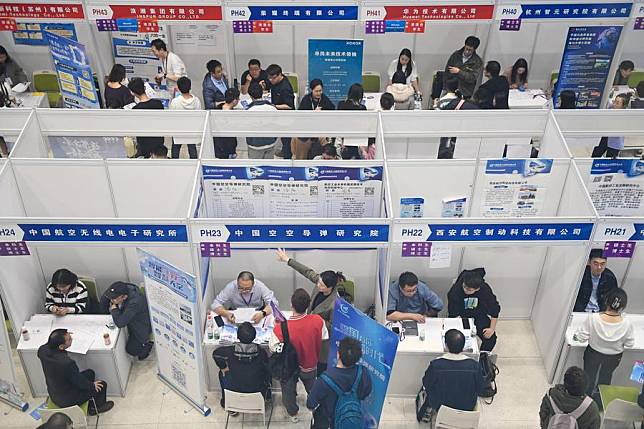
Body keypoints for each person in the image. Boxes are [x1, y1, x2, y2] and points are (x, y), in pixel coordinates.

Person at [276, 248, 343, 374]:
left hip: (321, 340)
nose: (318, 285)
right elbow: (306, 271)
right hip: (308, 330)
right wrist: (287, 260)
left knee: (319, 369)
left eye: (322, 285)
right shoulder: (320, 282)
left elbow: (333, 326)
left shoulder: (335, 304)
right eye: (318, 282)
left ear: (330, 287)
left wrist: (315, 320)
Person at [270, 288, 329, 423]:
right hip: (310, 364)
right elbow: (325, 336)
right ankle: (315, 407)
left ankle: (293, 413)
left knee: (288, 392)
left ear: (291, 305)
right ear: (308, 305)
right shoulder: (318, 321)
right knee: (312, 387)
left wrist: (277, 327)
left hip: (289, 368)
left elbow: (273, 348)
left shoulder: (281, 328)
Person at [37, 329, 114, 415]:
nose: (72, 339)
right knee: (102, 385)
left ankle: (91, 401)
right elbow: (79, 381)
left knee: (90, 373)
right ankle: (95, 409)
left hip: (55, 392)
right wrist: (92, 385)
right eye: (69, 339)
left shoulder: (42, 351)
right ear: (61, 347)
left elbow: (50, 343)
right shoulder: (67, 363)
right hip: (67, 399)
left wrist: (63, 336)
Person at [574, 288, 635, 397]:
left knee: (588, 377)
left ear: (606, 300)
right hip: (614, 357)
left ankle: (584, 400)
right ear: (623, 306)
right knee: (606, 377)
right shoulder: (627, 323)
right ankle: (599, 402)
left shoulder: (593, 318)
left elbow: (581, 337)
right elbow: (630, 343)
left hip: (593, 353)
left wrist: (576, 336)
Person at [307, 337, 373, 429]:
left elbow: (310, 404)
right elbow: (365, 393)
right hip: (352, 419)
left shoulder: (324, 379)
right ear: (358, 358)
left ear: (338, 354)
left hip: (327, 422)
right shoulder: (363, 372)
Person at [212, 322, 270, 413]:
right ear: (254, 337)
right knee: (265, 373)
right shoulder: (261, 353)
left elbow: (215, 354)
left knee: (221, 373)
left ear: (238, 337)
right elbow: (266, 368)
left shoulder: (229, 351)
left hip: (235, 389)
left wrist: (223, 367)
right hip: (256, 390)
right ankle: (267, 397)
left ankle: (226, 402)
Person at [422, 329, 484, 413]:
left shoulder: (436, 365)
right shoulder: (475, 366)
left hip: (441, 408)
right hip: (467, 407)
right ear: (463, 346)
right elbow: (480, 389)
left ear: (446, 345)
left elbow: (426, 384)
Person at [447, 268, 501, 352]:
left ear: (477, 289)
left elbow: (495, 309)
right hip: (461, 316)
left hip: (479, 315)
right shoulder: (456, 290)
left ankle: (482, 358)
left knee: (491, 339)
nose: (465, 290)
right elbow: (453, 312)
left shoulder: (485, 290)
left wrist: (491, 329)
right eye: (464, 286)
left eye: (469, 290)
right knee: (456, 340)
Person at [100, 282, 153, 360]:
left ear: (124, 297)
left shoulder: (135, 302)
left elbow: (120, 323)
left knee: (132, 350)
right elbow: (105, 298)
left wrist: (114, 309)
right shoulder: (120, 288)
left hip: (141, 324)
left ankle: (147, 345)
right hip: (129, 317)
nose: (111, 300)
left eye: (114, 298)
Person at [210, 270, 277, 324]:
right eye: (241, 288)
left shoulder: (260, 286)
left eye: (247, 288)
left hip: (258, 312)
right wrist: (226, 313)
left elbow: (274, 303)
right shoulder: (231, 287)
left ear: (253, 284)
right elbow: (215, 304)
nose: (244, 291)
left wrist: (263, 313)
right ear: (237, 283)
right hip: (236, 314)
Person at [128, 78, 164, 158]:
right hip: (158, 139)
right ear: (144, 88)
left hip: (144, 142)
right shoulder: (158, 104)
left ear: (133, 93)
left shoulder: (135, 109)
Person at [267, 64, 295, 159]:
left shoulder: (285, 87)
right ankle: (284, 151)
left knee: (286, 140)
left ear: (280, 75)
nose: (271, 80)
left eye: (273, 78)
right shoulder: (274, 81)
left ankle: (287, 159)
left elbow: (289, 106)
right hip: (278, 114)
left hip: (287, 117)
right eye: (269, 78)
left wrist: (274, 106)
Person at [169, 76, 201, 159]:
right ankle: (194, 165)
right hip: (192, 129)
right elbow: (199, 115)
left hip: (178, 129)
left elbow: (172, 117)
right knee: (192, 148)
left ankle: (174, 165)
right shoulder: (196, 100)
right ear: (190, 87)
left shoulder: (175, 101)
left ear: (178, 88)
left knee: (175, 149)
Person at [245, 82, 279, 159]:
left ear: (250, 95)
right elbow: (276, 125)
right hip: (271, 143)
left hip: (255, 145)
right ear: (262, 92)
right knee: (268, 168)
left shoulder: (248, 111)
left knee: (255, 168)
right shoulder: (272, 108)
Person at [592, 94, 628, 158]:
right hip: (605, 137)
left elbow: (618, 133)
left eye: (617, 103)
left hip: (615, 142)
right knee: (595, 155)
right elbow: (608, 101)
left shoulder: (625, 117)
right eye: (614, 101)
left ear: (623, 106)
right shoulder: (611, 108)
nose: (614, 104)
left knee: (610, 161)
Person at [213, 87, 240, 159]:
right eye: (238, 99)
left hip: (218, 145)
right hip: (227, 146)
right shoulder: (232, 114)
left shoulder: (217, 109)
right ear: (235, 100)